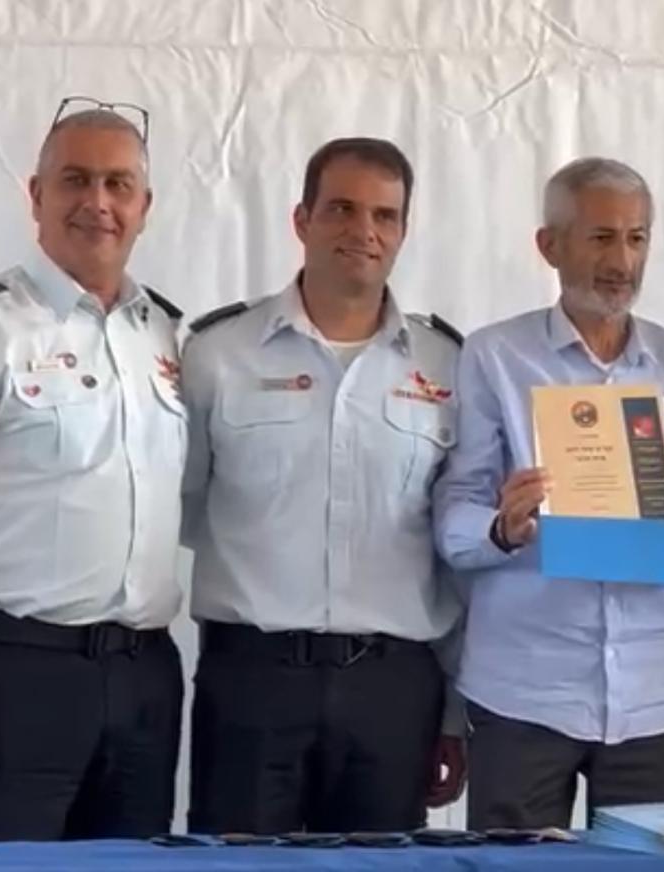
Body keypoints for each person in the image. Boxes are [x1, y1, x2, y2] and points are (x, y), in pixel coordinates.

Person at [433, 157, 664, 829]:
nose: (622, 261)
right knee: (511, 867)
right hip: (525, 686)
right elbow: (453, 511)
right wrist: (500, 527)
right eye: (602, 237)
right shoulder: (495, 356)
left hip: (656, 689)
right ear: (549, 245)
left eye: (637, 238)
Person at [181, 137, 466, 835]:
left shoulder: (449, 365)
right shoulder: (219, 353)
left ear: (402, 232)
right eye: (341, 208)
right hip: (253, 679)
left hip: (393, 687)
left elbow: (455, 551)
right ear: (301, 219)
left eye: (383, 215)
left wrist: (455, 711)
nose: (362, 230)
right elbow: (182, 507)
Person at [0, 98, 185, 840]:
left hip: (145, 676)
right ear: (36, 195)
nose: (98, 201)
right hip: (16, 674)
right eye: (75, 180)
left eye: (119, 184)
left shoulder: (164, 335)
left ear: (145, 205)